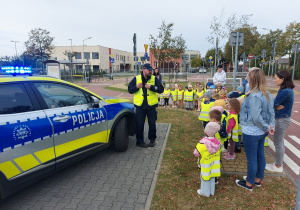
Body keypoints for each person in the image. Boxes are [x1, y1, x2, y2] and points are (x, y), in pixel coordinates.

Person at [236, 68, 275, 191]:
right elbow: (271, 113)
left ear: (252, 80)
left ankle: (249, 183)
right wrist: (270, 127)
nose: (246, 79)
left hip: (252, 131)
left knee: (252, 158)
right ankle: (257, 179)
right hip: (261, 132)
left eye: (248, 77)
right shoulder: (268, 94)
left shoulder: (254, 96)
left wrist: (266, 127)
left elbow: (256, 117)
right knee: (260, 155)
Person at [128, 63, 164, 148]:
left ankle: (152, 139)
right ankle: (140, 141)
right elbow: (130, 90)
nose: (151, 71)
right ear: (144, 70)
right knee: (139, 124)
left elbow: (161, 89)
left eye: (151, 70)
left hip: (151, 106)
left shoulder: (154, 78)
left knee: (152, 124)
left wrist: (151, 87)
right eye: (149, 70)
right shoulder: (136, 78)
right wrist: (136, 86)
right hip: (140, 106)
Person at [265, 70, 295, 172]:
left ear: (282, 79)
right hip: (282, 118)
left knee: (278, 143)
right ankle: (278, 163)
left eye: (275, 78)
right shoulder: (286, 90)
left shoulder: (285, 91)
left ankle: (278, 166)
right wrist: (275, 105)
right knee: (279, 142)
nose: (274, 80)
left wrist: (274, 105)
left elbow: (272, 104)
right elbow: (274, 104)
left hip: (281, 119)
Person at [193, 122, 221, 197]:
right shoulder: (217, 142)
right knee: (212, 177)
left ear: (206, 132)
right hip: (214, 165)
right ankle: (212, 191)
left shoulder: (202, 143)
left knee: (205, 178)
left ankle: (205, 192)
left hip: (205, 165)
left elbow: (196, 153)